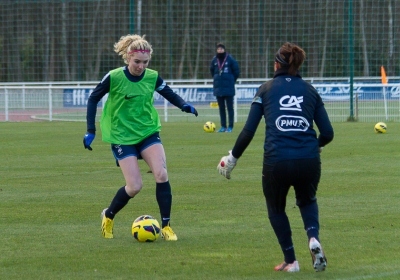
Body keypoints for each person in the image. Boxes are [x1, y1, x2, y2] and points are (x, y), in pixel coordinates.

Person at [217, 42, 334, 272]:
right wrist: (315, 145)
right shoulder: (310, 90)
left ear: (276, 64)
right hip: (309, 160)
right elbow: (328, 133)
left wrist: (232, 158)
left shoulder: (266, 89)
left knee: (276, 208)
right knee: (307, 200)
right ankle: (312, 238)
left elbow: (248, 131)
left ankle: (291, 261)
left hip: (276, 161)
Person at [83, 34, 198, 240]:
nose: (140, 66)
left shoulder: (152, 77)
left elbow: (168, 92)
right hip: (121, 136)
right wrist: (90, 130)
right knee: (135, 186)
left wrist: (183, 105)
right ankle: (108, 216)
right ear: (128, 57)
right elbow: (93, 99)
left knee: (161, 174)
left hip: (147, 132)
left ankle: (166, 227)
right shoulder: (114, 77)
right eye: (137, 62)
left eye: (145, 62)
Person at [210, 43, 240, 132]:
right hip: (218, 88)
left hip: (229, 88)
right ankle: (223, 126)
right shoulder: (214, 60)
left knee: (230, 108)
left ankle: (230, 126)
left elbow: (236, 71)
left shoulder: (230, 59)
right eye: (218, 49)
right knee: (221, 108)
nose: (220, 51)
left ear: (224, 50)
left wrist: (231, 80)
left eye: (221, 49)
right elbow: (212, 71)